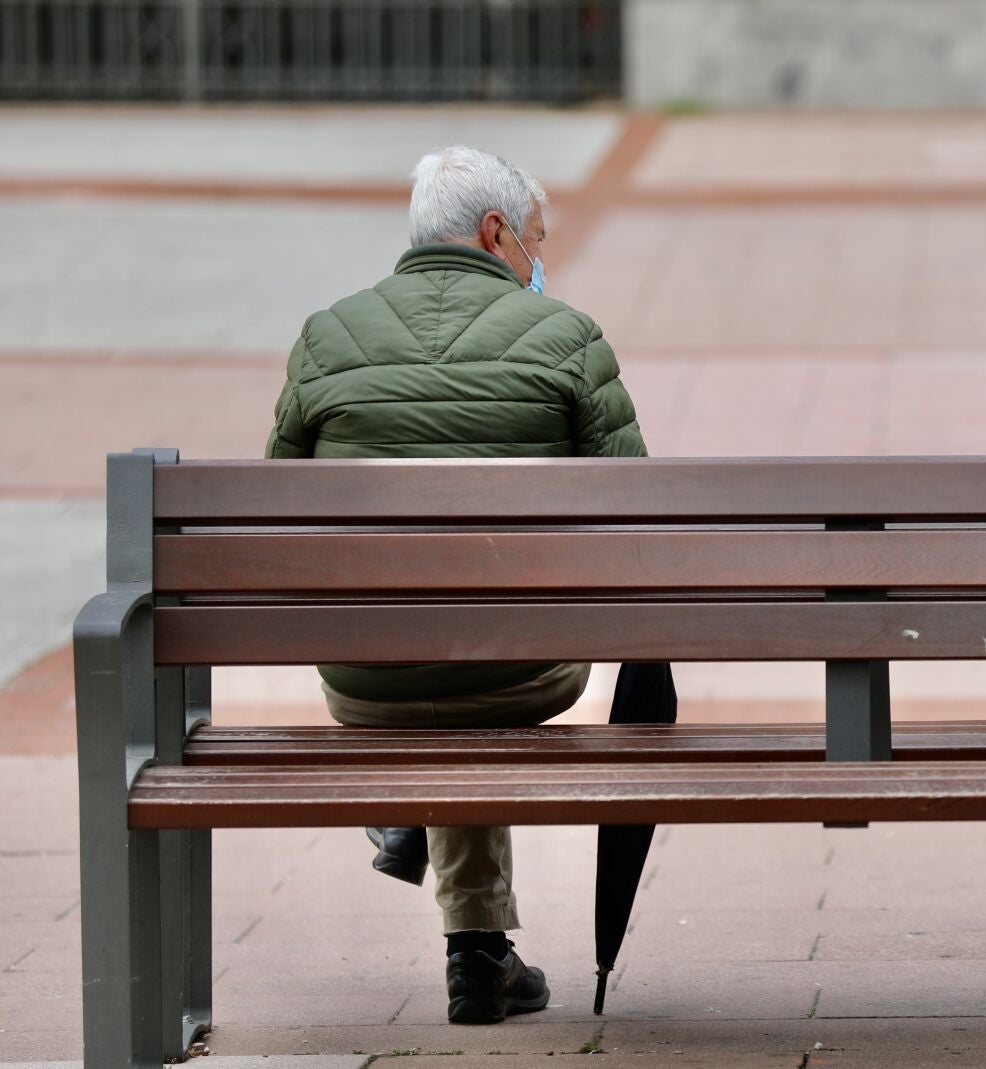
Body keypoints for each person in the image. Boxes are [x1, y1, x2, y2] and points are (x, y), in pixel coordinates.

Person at [266, 145, 647, 1025]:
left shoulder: (328, 336)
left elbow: (277, 520)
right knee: (479, 654)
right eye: (535, 241)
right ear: (494, 233)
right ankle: (470, 936)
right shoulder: (566, 337)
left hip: (367, 680)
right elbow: (637, 518)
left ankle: (448, 887)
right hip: (525, 671)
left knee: (434, 654)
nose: (539, 262)